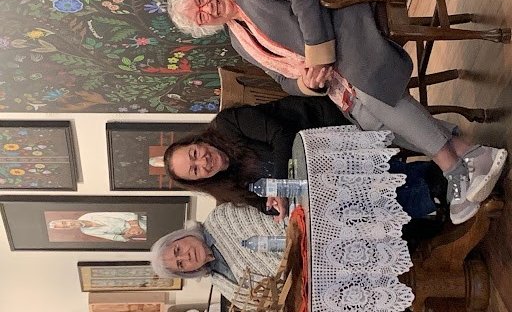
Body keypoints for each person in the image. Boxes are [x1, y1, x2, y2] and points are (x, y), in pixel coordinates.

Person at [166, 0, 507, 223]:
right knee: (364, 119)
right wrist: (306, 82)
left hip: (340, 6)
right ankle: (469, 152)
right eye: (200, 17)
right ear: (204, 27)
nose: (206, 9)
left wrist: (318, 50)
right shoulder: (240, 41)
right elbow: (281, 81)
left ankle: (451, 165)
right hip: (331, 65)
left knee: (366, 90)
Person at [165, 95, 446, 223]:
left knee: (346, 186)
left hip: (323, 126)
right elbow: (265, 207)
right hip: (317, 178)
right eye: (195, 171)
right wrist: (276, 208)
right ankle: (429, 191)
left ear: (197, 141)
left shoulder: (227, 124)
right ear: (201, 180)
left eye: (194, 154)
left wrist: (278, 187)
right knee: (341, 212)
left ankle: (434, 184)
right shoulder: (226, 190)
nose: (203, 162)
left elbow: (282, 135)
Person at [150, 203, 286, 309]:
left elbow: (282, 229)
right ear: (187, 272)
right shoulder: (220, 284)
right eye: (180, 264)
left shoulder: (221, 218)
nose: (187, 257)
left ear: (180, 236)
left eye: (178, 250)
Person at [48, 212, 147, 242]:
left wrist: (134, 226)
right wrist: (128, 234)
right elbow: (116, 237)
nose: (69, 225)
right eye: (66, 227)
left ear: (67, 219)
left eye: (65, 223)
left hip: (138, 222)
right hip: (136, 233)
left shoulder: (89, 215)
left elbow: (124, 215)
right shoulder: (86, 232)